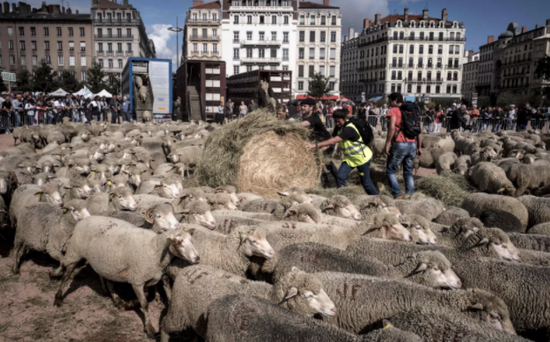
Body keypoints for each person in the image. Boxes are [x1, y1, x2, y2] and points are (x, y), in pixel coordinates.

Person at [307, 109, 378, 195]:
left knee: (366, 183)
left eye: (339, 121)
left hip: (362, 158)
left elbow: (334, 141)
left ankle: (377, 200)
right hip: (350, 159)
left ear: (344, 119)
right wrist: (320, 150)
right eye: (335, 121)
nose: (337, 123)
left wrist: (315, 145)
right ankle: (343, 198)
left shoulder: (349, 129)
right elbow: (331, 140)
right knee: (340, 177)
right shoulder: (338, 127)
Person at [384, 92, 423, 199]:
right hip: (412, 144)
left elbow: (392, 127)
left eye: (390, 101)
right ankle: (410, 195)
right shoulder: (412, 110)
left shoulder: (394, 110)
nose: (389, 103)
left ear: (395, 99)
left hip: (399, 143)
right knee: (408, 172)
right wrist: (419, 147)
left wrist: (387, 143)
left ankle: (397, 193)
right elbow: (419, 131)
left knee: (390, 171)